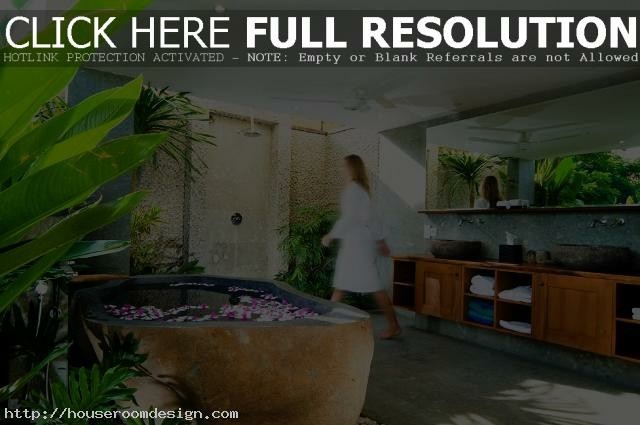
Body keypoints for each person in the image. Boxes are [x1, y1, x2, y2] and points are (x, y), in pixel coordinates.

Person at [321, 154, 401, 340]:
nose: (342, 170)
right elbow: (372, 218)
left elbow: (350, 217)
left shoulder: (353, 190)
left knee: (365, 285)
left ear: (352, 168)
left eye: (344, 166)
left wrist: (331, 235)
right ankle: (328, 325)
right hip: (360, 245)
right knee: (346, 285)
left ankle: (394, 325)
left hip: (356, 246)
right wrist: (381, 241)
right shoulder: (362, 190)